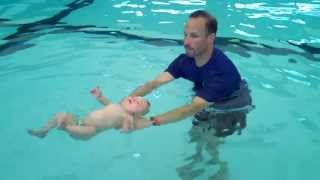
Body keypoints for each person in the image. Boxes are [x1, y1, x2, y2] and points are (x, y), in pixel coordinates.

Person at [129, 10, 254, 136]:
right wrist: (122, 107)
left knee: (211, 141)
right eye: (186, 35)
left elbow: (190, 109)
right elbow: (153, 84)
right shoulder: (185, 61)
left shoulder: (222, 74)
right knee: (195, 134)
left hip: (231, 104)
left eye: (194, 36)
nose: (186, 42)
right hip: (205, 90)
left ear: (210, 38)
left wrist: (149, 122)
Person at [28, 87, 151, 140]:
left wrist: (127, 129)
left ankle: (65, 127)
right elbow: (105, 101)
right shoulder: (115, 105)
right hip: (79, 122)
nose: (136, 99)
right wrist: (99, 95)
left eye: (139, 103)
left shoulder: (127, 117)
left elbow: (127, 129)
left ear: (137, 115)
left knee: (90, 130)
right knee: (63, 114)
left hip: (88, 131)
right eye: (136, 98)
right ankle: (43, 131)